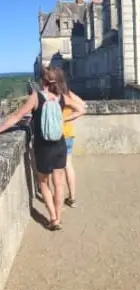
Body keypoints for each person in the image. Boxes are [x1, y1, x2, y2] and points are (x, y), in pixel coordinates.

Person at [0, 67, 85, 230]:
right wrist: (65, 119)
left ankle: (53, 218)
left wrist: (1, 128)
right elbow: (81, 109)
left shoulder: (37, 97)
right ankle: (59, 218)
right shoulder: (61, 98)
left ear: (43, 80)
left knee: (44, 183)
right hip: (59, 144)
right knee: (59, 184)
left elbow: (17, 116)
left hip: (43, 147)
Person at [53, 68, 85, 207]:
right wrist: (68, 118)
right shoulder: (68, 94)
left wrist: (63, 119)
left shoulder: (55, 95)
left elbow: (83, 108)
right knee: (68, 165)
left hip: (58, 135)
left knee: (57, 168)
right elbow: (83, 106)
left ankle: (58, 198)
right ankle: (72, 198)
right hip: (69, 134)